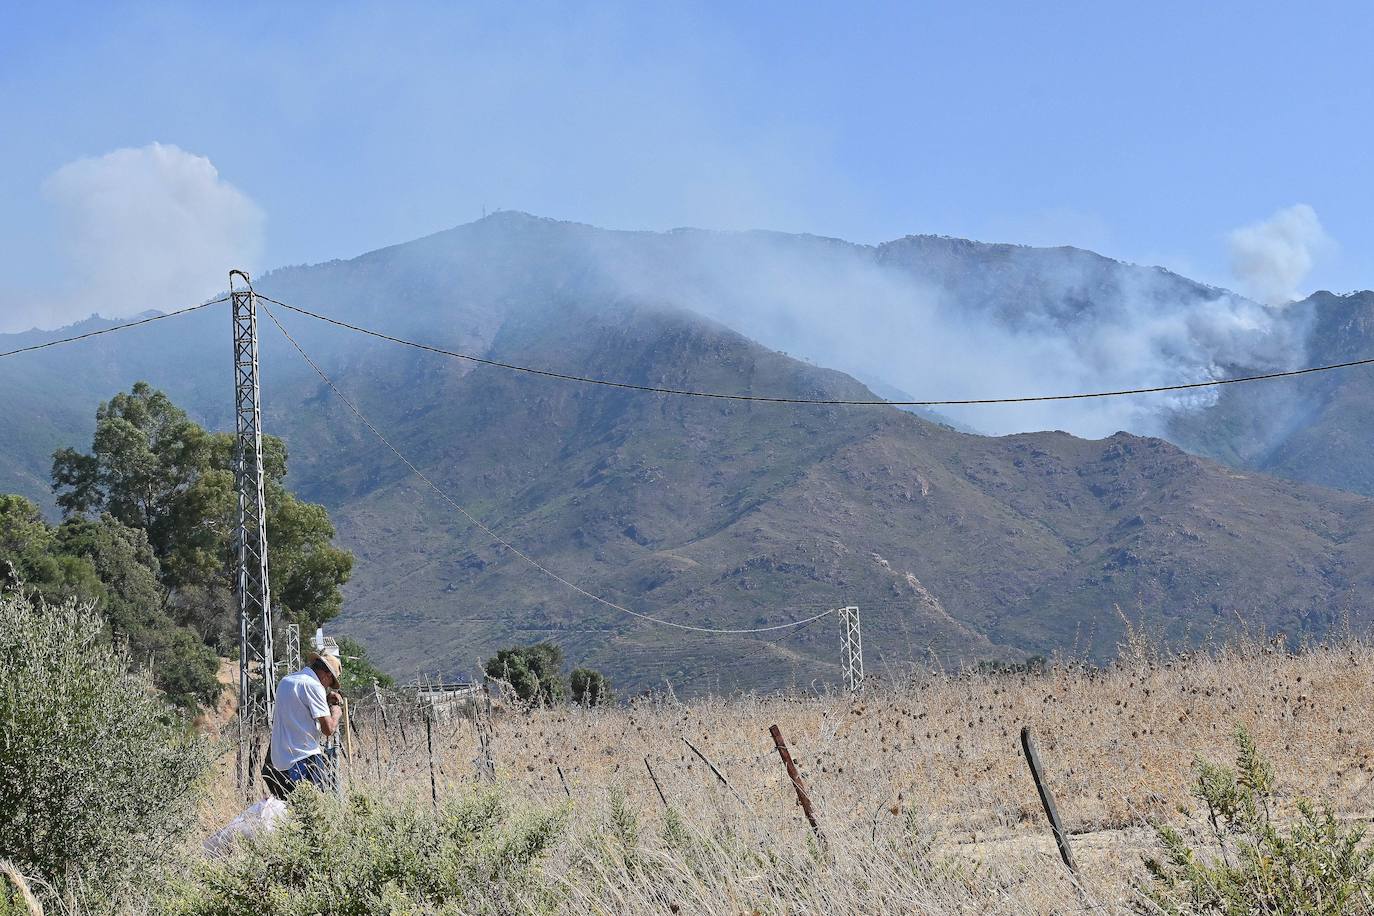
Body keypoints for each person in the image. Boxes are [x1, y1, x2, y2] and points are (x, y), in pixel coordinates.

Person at [266, 652, 343, 797]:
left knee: (288, 812)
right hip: (304, 759)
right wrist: (336, 712)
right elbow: (328, 729)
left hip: (280, 761)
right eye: (330, 683)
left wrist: (324, 700)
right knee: (312, 812)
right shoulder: (314, 686)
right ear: (327, 674)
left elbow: (299, 709)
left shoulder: (286, 681)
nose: (327, 686)